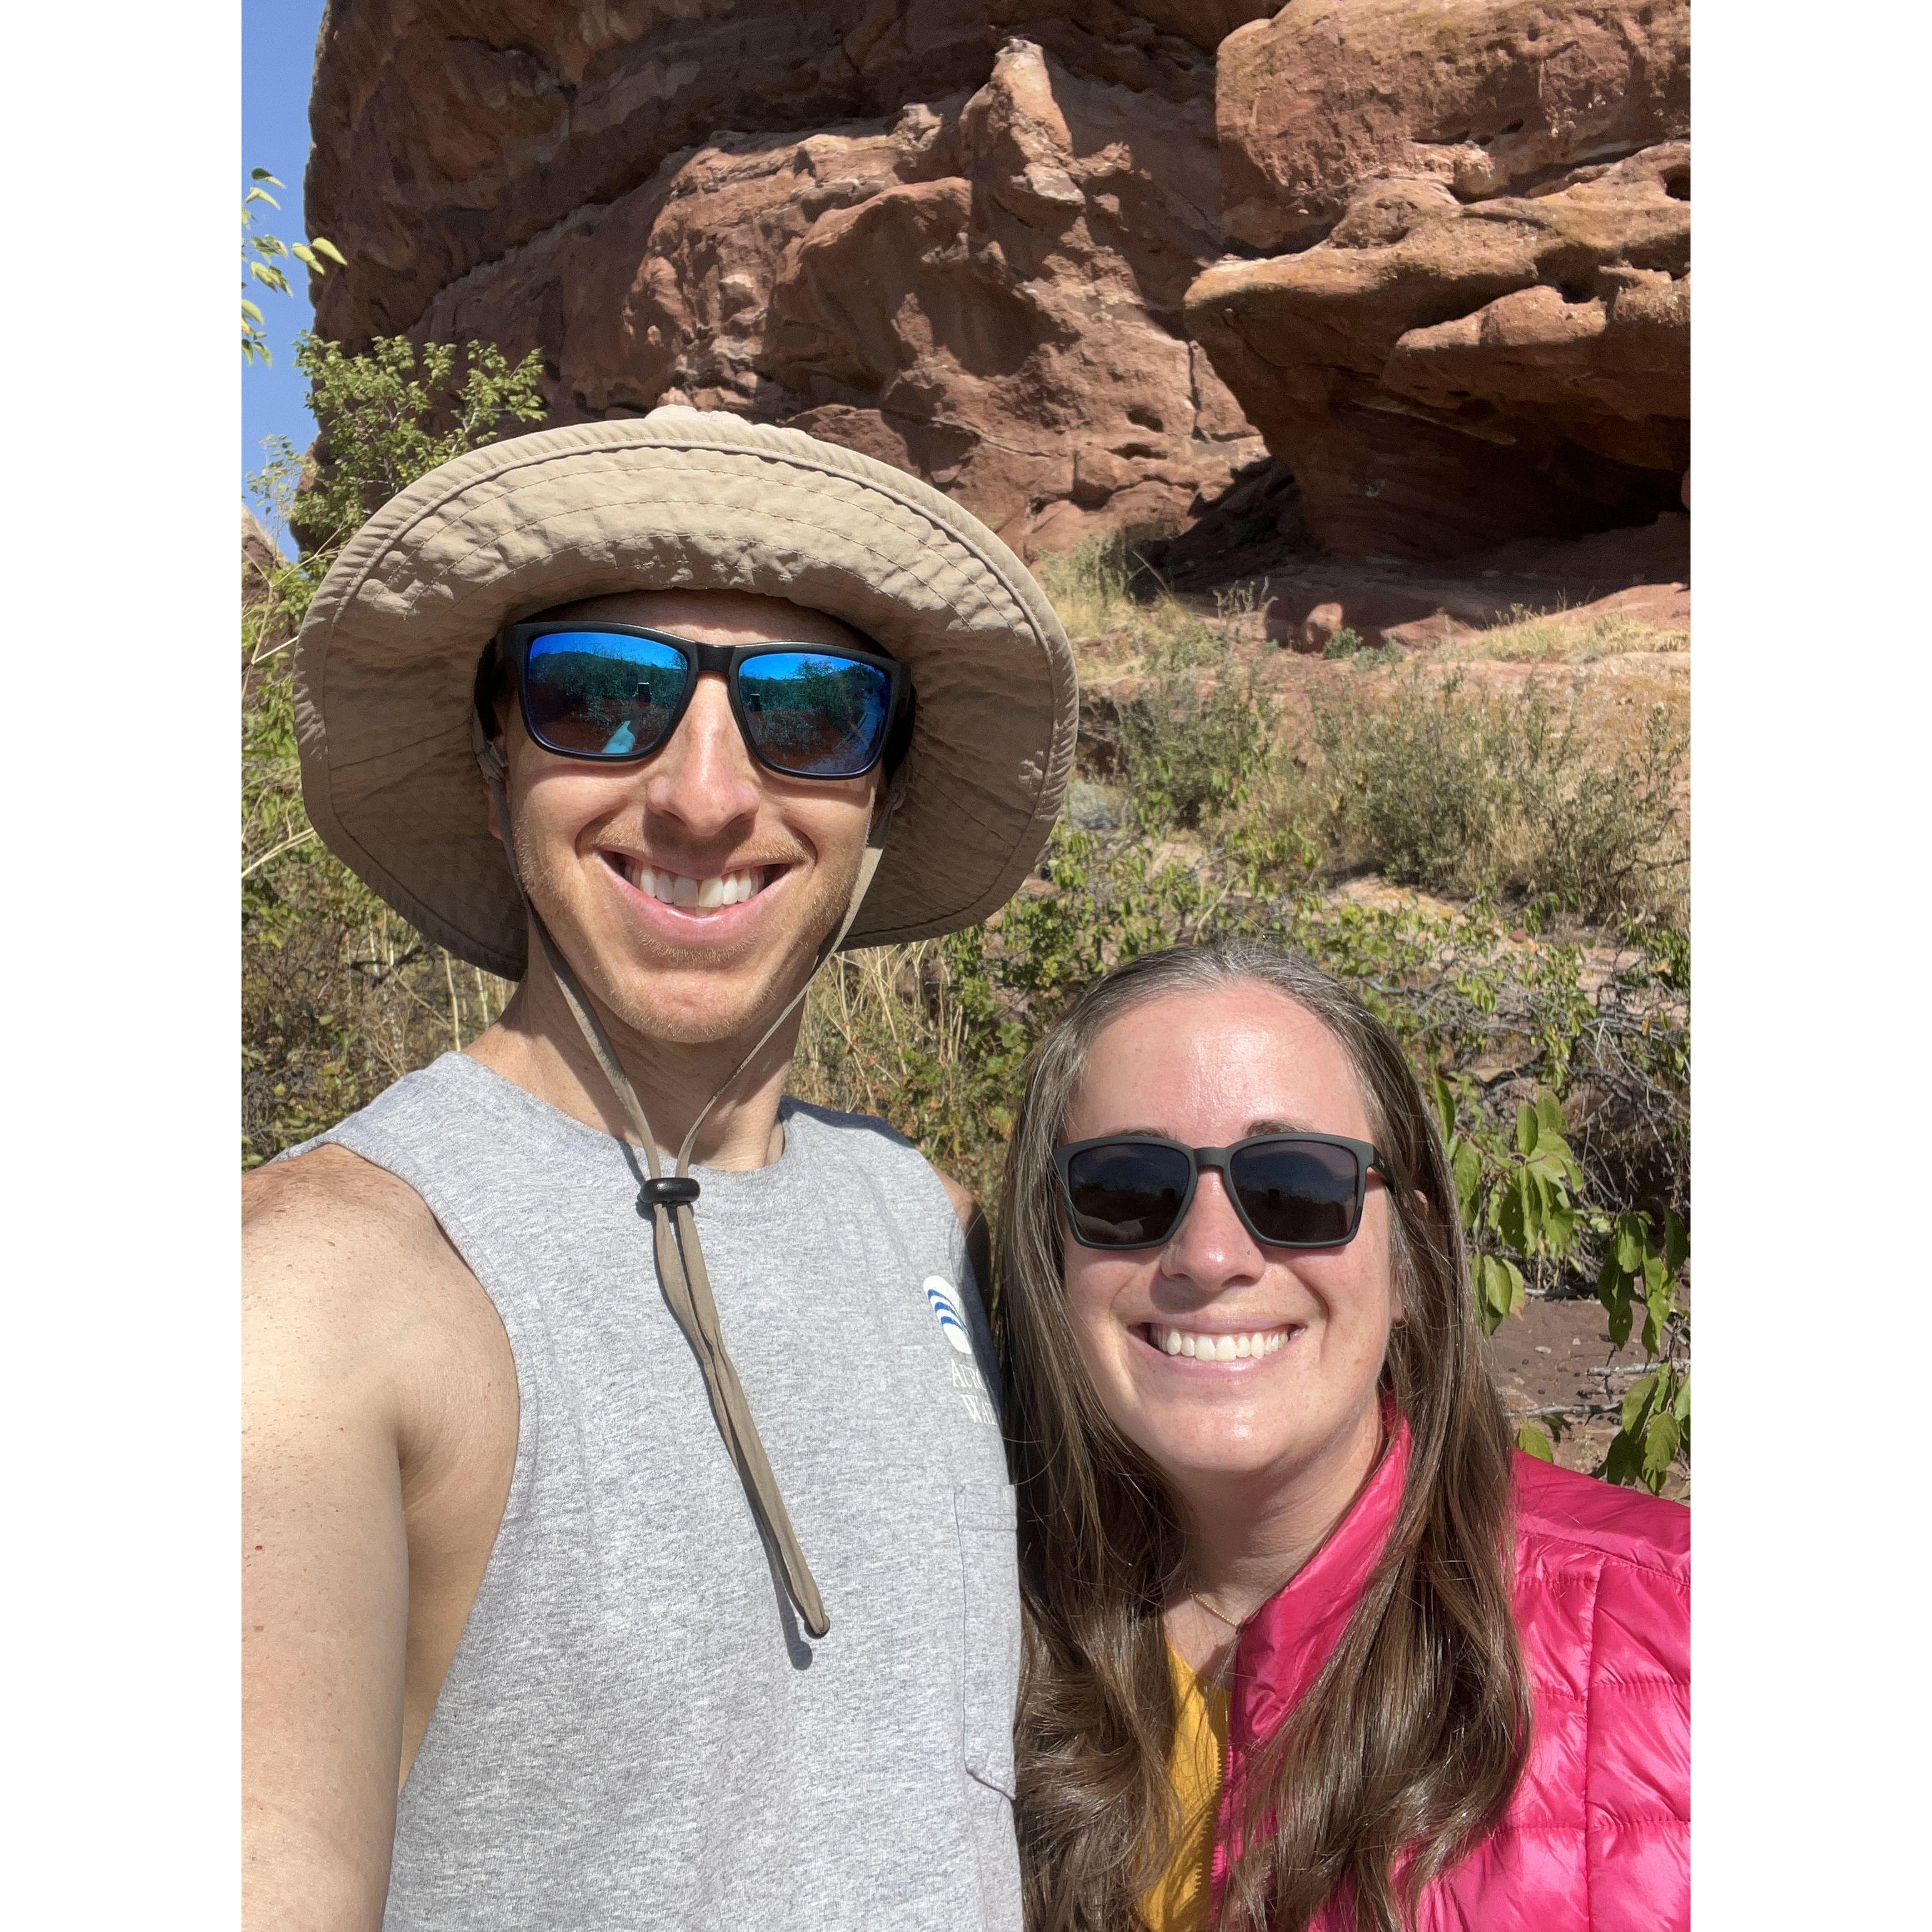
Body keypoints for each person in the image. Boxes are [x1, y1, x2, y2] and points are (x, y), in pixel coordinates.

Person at [242, 409, 1076, 1930]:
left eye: (808, 713)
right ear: (495, 762)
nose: (702, 795)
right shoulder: (314, 1282)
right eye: (601, 697)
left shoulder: (923, 1219)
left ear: (877, 796)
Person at [995, 940, 1689, 1932]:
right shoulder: (977, 1640)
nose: (1212, 1255)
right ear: (1051, 1258)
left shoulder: (1676, 1626)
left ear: (1410, 1260)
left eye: (1294, 1187)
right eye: (1127, 1191)